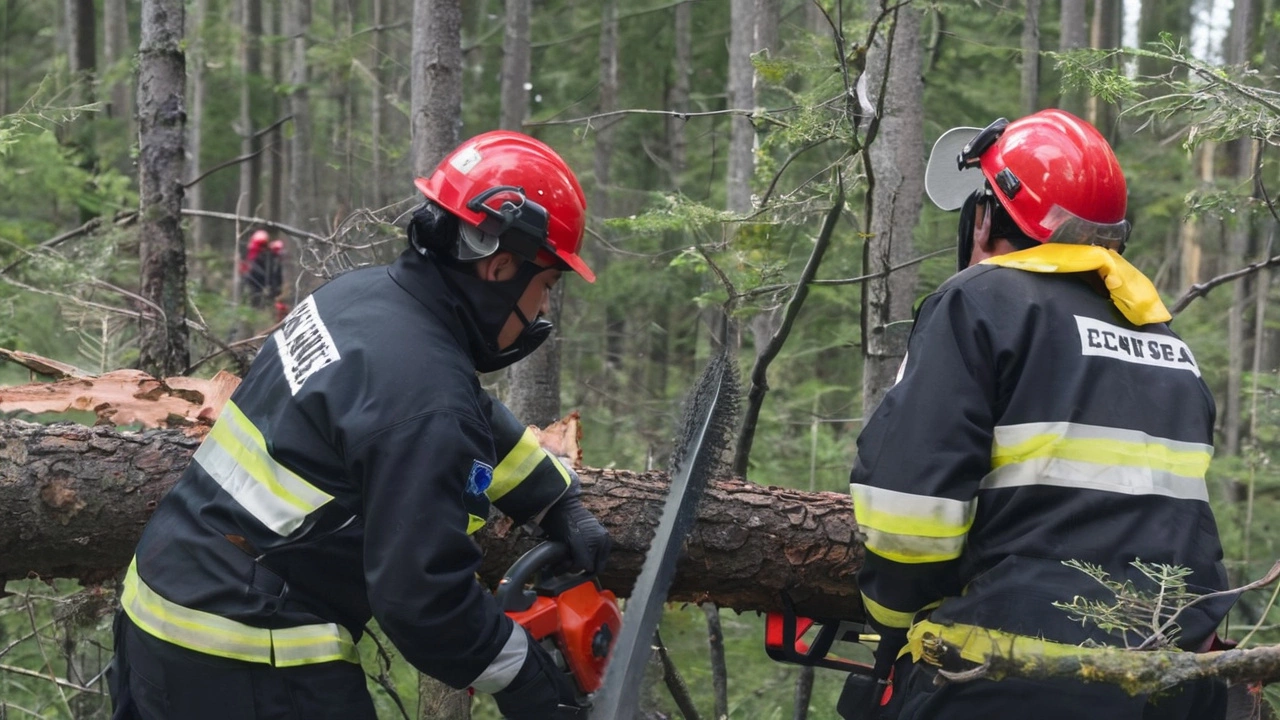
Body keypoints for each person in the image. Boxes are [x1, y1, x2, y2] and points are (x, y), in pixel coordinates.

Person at [108, 131, 612, 720]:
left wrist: (553, 498)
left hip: (156, 612)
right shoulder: (426, 396)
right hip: (252, 657)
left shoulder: (360, 298)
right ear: (501, 265)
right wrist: (526, 675)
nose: (545, 309)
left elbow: (458, 411)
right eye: (547, 285)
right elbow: (423, 601)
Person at [843, 109, 1232, 720]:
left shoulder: (978, 302)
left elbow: (909, 512)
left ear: (988, 215)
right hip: (1176, 681)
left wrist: (892, 619)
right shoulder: (1169, 344)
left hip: (1009, 677)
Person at [241, 230, 284, 310]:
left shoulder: (269, 256)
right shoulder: (260, 256)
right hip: (257, 282)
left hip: (263, 283)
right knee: (256, 299)